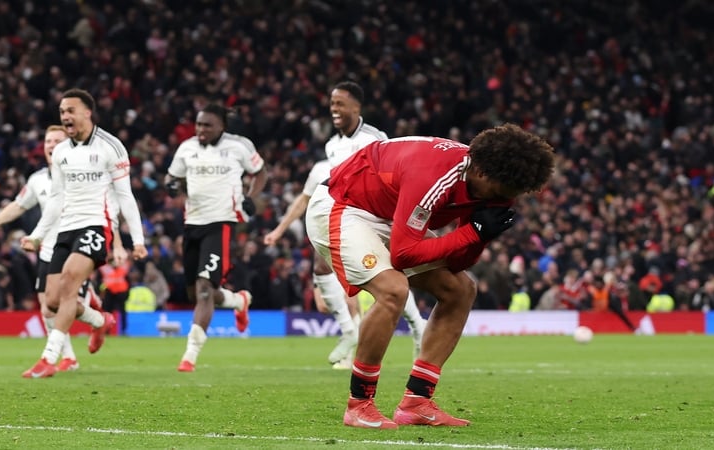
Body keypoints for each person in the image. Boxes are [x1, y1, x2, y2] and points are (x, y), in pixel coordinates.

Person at [306, 124, 555, 428]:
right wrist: (473, 232)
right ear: (481, 174)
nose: (505, 199)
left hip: (390, 214)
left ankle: (417, 402)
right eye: (503, 193)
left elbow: (458, 261)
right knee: (393, 290)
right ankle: (359, 404)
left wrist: (478, 236)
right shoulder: (435, 173)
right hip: (342, 204)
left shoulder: (497, 185)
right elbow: (403, 255)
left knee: (460, 290)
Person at [264, 81, 427, 369]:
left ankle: (416, 326)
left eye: (339, 104)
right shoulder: (332, 146)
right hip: (344, 213)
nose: (334, 109)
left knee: (387, 278)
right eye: (331, 104)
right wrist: (278, 231)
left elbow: (392, 173)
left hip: (373, 214)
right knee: (321, 266)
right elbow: (311, 196)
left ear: (356, 107)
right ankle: (350, 330)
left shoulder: (374, 137)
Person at [0, 125, 125, 372]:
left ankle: (55, 357)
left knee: (64, 300)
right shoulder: (38, 180)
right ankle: (95, 325)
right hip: (48, 251)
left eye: (57, 140)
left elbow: (106, 212)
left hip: (78, 247)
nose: (51, 145)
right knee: (48, 308)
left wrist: (117, 244)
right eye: (47, 141)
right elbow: (18, 205)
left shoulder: (85, 174)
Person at [20, 89, 147, 378]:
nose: (65, 116)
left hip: (95, 226)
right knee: (51, 302)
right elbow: (56, 198)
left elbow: (125, 196)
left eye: (71, 111)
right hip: (65, 229)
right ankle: (99, 320)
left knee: (69, 281)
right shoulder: (62, 152)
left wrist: (137, 240)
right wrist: (38, 235)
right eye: (62, 111)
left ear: (87, 113)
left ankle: (48, 359)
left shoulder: (110, 147)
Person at [165, 103, 268, 372]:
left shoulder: (239, 146)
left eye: (207, 125)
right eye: (199, 124)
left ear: (221, 126)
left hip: (221, 222)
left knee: (203, 290)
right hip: (192, 223)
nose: (201, 130)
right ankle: (237, 301)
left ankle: (190, 354)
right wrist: (171, 185)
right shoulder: (186, 148)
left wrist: (251, 197)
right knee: (196, 293)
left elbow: (261, 172)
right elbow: (172, 177)